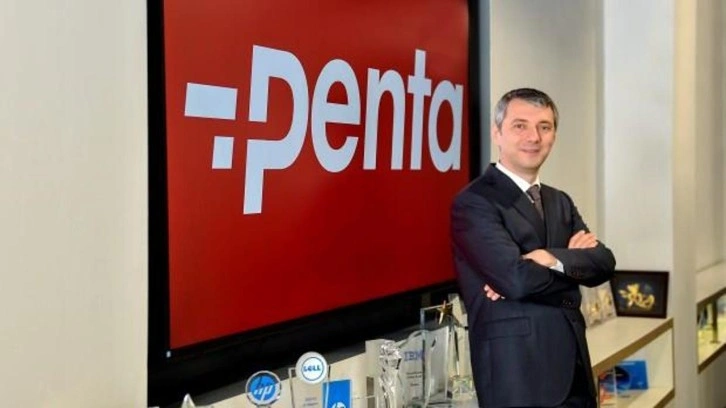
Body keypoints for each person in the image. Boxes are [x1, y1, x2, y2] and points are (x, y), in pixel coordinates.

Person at [451, 88, 616, 408]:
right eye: (520, 126)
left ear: (554, 135)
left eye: (544, 126)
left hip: (575, 369)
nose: (534, 137)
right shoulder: (474, 202)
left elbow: (603, 262)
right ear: (497, 133)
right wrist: (571, 264)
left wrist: (548, 257)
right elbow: (516, 280)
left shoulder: (559, 200)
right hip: (519, 377)